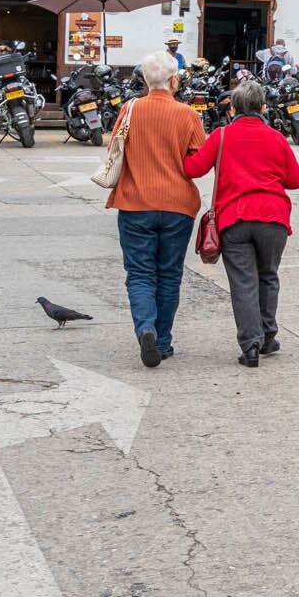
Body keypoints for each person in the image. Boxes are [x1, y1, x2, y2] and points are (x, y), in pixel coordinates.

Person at [182, 79, 299, 367]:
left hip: (234, 219)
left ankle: (250, 346)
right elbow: (296, 180)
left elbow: (193, 168)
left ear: (232, 109)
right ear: (263, 107)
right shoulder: (275, 137)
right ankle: (268, 336)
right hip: (272, 218)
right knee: (268, 276)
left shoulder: (222, 136)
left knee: (243, 283)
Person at [105, 50, 207, 368]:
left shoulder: (130, 109)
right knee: (169, 274)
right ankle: (162, 341)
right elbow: (198, 165)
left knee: (139, 273)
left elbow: (114, 149)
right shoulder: (188, 115)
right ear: (174, 80)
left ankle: (145, 328)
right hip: (178, 206)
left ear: (146, 81)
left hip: (135, 203)